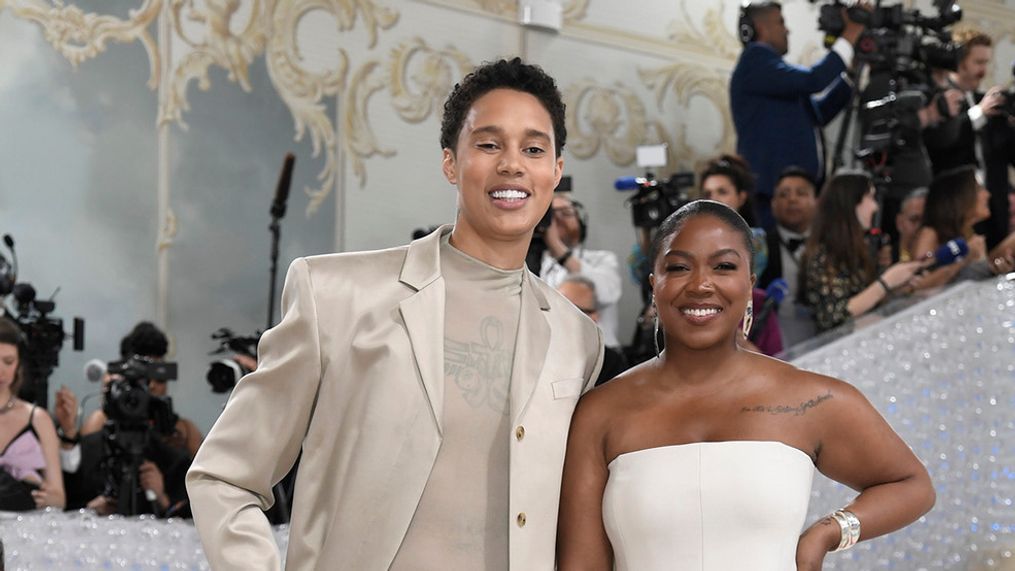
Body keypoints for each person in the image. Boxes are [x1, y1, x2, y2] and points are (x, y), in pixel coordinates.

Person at [187, 58, 604, 570]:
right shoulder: (336, 296)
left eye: (534, 149)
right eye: (489, 144)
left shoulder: (577, 338)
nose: (512, 165)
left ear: (555, 172)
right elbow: (223, 475)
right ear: (450, 161)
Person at [556, 200, 936, 570]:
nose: (701, 284)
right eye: (678, 267)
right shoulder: (601, 413)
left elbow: (911, 485)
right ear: (654, 285)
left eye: (723, 266)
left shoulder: (810, 399)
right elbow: (582, 564)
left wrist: (827, 534)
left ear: (749, 283)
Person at [730, 1, 865, 226]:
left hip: (793, 195)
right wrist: (850, 34)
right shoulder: (755, 59)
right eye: (781, 22)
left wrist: (849, 73)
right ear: (759, 28)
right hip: (772, 196)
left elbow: (819, 114)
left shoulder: (775, 74)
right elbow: (815, 79)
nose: (787, 29)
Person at [800, 173, 926, 332]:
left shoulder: (858, 249)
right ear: (851, 202)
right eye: (870, 197)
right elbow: (833, 316)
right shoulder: (824, 254)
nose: (875, 206)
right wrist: (886, 282)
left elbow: (864, 299)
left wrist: (895, 289)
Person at [924, 28, 1015, 249]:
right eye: (978, 62)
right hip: (956, 214)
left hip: (995, 212)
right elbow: (940, 143)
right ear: (959, 61)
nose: (984, 71)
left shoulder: (990, 104)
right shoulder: (936, 100)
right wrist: (978, 114)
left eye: (987, 63)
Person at [54, 385, 191, 516]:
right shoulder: (89, 450)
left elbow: (186, 521)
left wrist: (161, 498)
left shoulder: (170, 458)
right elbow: (67, 503)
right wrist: (88, 511)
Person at [80, 321, 203, 459]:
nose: (151, 385)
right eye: (142, 376)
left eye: (158, 376)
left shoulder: (185, 432)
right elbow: (85, 475)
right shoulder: (100, 422)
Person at [540, 189, 623, 347]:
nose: (557, 219)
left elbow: (606, 293)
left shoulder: (602, 260)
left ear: (580, 221)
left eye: (566, 213)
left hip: (601, 355)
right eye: (550, 215)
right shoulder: (530, 264)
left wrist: (557, 248)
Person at [911, 166, 1015, 288]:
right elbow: (916, 287)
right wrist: (965, 258)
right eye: (978, 189)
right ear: (959, 198)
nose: (987, 194)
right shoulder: (930, 234)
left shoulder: (971, 235)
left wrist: (998, 270)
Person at [0, 317, 65, 511]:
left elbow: (59, 498)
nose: (1, 371)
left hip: (27, 530)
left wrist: (47, 499)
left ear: (19, 365)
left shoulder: (38, 419)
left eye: (8, 362)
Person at [699, 154, 767, 275]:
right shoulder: (694, 238)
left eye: (722, 192)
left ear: (741, 198)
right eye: (708, 194)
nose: (713, 199)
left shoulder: (754, 240)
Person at [557, 276, 627, 386]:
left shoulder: (608, 363)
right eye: (557, 308)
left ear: (594, 317)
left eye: (574, 310)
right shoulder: (530, 350)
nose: (561, 317)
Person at [894, 188, 928, 263]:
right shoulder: (881, 260)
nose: (920, 227)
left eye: (927, 221)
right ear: (899, 222)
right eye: (914, 220)